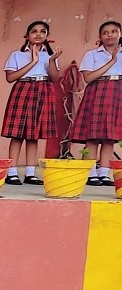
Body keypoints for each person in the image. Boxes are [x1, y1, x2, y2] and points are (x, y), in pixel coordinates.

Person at [1, 21, 63, 185]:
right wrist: (33, 62)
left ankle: (30, 173)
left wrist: (51, 61)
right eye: (34, 31)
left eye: (43, 31)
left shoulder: (49, 56)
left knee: (33, 135)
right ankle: (12, 172)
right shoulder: (17, 54)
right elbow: (10, 78)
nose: (38, 34)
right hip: (23, 89)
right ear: (27, 35)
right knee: (17, 134)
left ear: (46, 36)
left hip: (43, 90)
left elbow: (55, 78)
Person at [70, 20, 122, 186]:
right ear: (100, 36)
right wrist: (111, 62)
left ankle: (104, 173)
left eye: (114, 31)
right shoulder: (92, 54)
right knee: (92, 136)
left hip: (118, 92)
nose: (110, 35)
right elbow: (88, 78)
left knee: (109, 137)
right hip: (97, 90)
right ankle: (90, 172)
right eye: (105, 32)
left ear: (120, 34)